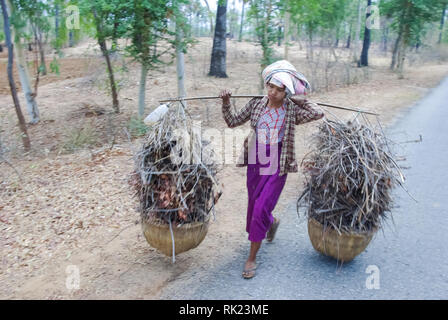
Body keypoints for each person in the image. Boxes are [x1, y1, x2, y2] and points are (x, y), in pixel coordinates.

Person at [220, 60, 324, 279]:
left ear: (286, 92)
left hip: (278, 162)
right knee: (254, 204)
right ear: (266, 84)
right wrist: (226, 102)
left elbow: (317, 113)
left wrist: (299, 99)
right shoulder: (256, 104)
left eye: (280, 89)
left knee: (260, 208)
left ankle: (251, 258)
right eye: (271, 86)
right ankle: (271, 222)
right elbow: (232, 121)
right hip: (256, 159)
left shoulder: (291, 109)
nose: (273, 92)